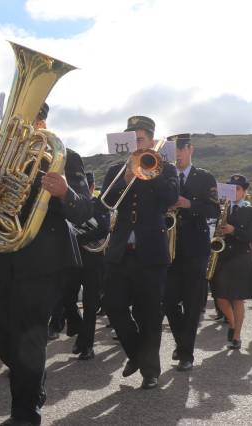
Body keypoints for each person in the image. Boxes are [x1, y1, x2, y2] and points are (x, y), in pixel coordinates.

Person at [0, 102, 93, 424]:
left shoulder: (65, 156)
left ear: (41, 120)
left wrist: (65, 193)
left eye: (22, 119)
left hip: (45, 259)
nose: (13, 125)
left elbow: (84, 210)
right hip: (4, 254)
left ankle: (26, 412)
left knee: (29, 335)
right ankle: (31, 382)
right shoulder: (0, 156)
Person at [102, 115, 178, 388]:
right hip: (121, 251)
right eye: (132, 139)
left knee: (149, 313)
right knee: (113, 306)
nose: (136, 143)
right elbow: (107, 202)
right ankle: (137, 354)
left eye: (141, 139)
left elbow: (170, 199)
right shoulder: (115, 170)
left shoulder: (165, 168)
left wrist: (150, 172)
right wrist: (125, 176)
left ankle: (151, 372)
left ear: (152, 141)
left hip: (151, 253)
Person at [165, 134, 219, 371]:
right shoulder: (163, 174)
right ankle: (182, 342)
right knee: (168, 301)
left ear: (190, 149)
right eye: (172, 149)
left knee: (192, 302)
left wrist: (188, 204)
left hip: (196, 247)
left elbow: (214, 209)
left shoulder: (205, 177)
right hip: (168, 247)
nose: (176, 154)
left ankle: (186, 353)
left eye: (180, 148)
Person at [64, 171, 110, 360]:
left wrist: (77, 236)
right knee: (66, 297)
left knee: (91, 304)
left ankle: (87, 345)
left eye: (84, 188)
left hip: (93, 259)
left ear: (91, 188)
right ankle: (77, 325)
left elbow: (103, 229)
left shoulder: (99, 206)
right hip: (72, 260)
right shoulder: (67, 206)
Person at [211, 174, 252, 350]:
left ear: (244, 192)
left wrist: (234, 230)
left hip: (241, 258)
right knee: (220, 297)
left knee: (238, 299)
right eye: (232, 189)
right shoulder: (222, 208)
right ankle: (232, 323)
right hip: (223, 257)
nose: (234, 192)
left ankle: (237, 336)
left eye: (238, 189)